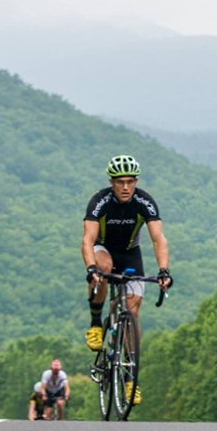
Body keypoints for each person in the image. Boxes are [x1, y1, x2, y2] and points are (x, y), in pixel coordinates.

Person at [82, 155, 173, 405]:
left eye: (130, 182)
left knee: (133, 309)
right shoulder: (100, 202)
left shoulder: (144, 202)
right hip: (103, 249)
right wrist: (91, 268)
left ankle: (131, 377)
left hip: (131, 254)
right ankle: (95, 323)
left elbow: (158, 239)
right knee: (104, 267)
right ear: (112, 182)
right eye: (120, 181)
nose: (125, 187)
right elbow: (88, 240)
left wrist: (163, 270)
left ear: (136, 182)